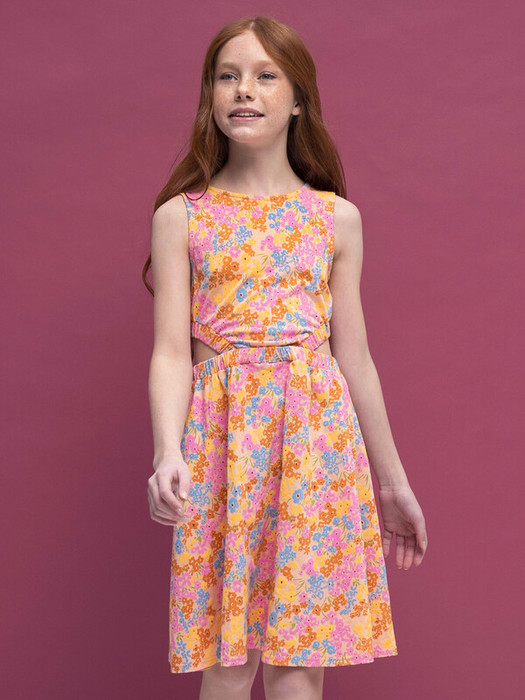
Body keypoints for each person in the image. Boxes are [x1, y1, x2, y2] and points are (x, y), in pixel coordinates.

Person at [144, 15, 428, 700]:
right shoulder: (182, 216)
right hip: (224, 443)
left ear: (298, 98)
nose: (244, 90)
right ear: (211, 95)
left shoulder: (335, 218)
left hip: (315, 443)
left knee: (299, 660)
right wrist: (167, 452)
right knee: (227, 659)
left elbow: (354, 358)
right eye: (228, 76)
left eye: (265, 76)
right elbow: (172, 353)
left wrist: (391, 482)